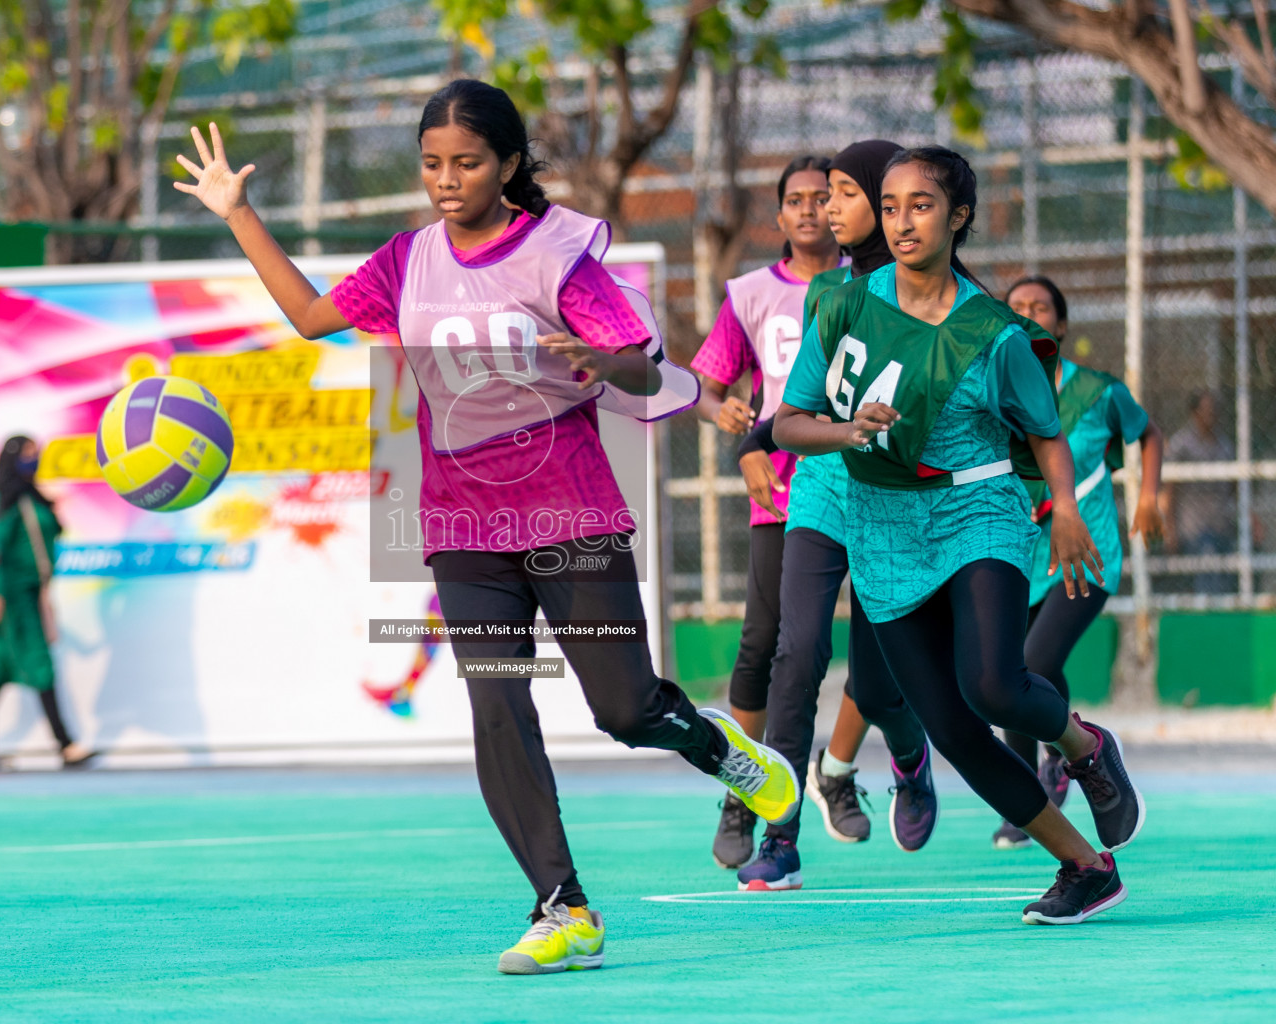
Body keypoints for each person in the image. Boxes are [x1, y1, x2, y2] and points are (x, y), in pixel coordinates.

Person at [173, 78, 800, 974]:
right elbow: (313, 317)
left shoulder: (558, 257)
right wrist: (238, 213)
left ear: (509, 164)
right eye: (432, 164)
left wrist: (602, 360)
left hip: (570, 510)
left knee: (623, 710)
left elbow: (640, 369)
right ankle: (563, 907)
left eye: (466, 163)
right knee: (497, 705)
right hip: (462, 526)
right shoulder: (407, 259)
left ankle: (715, 747)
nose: (446, 180)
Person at [775, 145, 1144, 925]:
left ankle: (1083, 744)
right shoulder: (842, 305)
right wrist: (843, 432)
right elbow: (788, 422)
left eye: (923, 205)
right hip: (882, 527)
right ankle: (1084, 866)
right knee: (951, 726)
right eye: (894, 204)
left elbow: (1042, 430)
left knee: (993, 684)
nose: (904, 221)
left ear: (958, 217)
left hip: (979, 509)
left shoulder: (993, 332)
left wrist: (1069, 516)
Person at [731, 140, 935, 892]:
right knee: (797, 652)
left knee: (880, 684)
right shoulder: (828, 296)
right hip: (821, 490)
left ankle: (910, 762)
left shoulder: (937, 292)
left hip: (893, 500)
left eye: (844, 193)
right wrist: (752, 442)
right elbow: (797, 402)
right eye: (821, 195)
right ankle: (779, 837)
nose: (825, 209)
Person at [689, 154, 849, 870]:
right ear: (778, 216)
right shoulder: (752, 294)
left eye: (826, 197)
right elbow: (703, 383)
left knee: (889, 650)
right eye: (797, 200)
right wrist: (721, 411)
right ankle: (746, 792)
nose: (812, 209)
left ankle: (864, 767)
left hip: (874, 485)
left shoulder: (873, 285)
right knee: (768, 646)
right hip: (786, 489)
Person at [990, 276, 1164, 849]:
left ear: (1060, 326)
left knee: (1033, 660)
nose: (1029, 314)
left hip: (1084, 558)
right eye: (1017, 307)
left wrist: (1147, 495)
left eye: (1040, 307)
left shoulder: (1098, 391)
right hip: (1018, 555)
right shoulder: (993, 393)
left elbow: (1149, 434)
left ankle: (1072, 751)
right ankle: (1026, 802)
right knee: (1009, 673)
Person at [0, 436, 94, 769]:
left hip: (33, 593)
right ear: (14, 459)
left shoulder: (33, 498)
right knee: (39, 663)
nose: (35, 459)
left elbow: (52, 532)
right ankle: (65, 744)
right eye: (29, 454)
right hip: (15, 597)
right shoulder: (8, 500)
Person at [1163, 391, 1244, 593]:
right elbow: (1169, 491)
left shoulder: (1224, 445)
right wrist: (1169, 528)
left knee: (1230, 570)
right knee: (1207, 566)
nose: (1212, 415)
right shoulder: (1181, 445)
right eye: (1206, 410)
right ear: (1194, 413)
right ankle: (1207, 615)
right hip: (1194, 527)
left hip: (1222, 523)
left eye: (1214, 411)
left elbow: (1236, 489)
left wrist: (1250, 518)